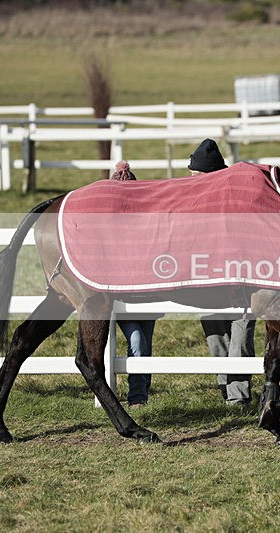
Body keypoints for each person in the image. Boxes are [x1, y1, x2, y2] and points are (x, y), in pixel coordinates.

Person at [188, 139, 256, 406]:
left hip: (239, 281)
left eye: (196, 175)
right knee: (215, 336)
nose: (191, 180)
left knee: (240, 336)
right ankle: (226, 388)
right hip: (206, 281)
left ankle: (238, 397)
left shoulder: (236, 199)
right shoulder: (190, 203)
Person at [109, 160, 157, 408]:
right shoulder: (108, 225)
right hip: (125, 295)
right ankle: (137, 397)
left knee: (144, 343)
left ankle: (141, 394)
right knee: (137, 340)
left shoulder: (147, 222)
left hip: (147, 294)